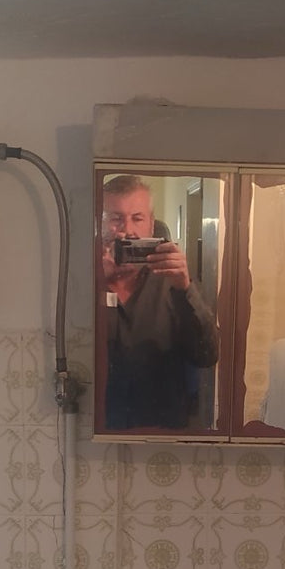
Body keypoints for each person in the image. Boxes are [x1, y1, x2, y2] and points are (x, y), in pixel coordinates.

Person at [99, 175, 219, 430]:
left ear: (151, 225)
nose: (127, 230)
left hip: (163, 430)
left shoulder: (172, 281)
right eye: (116, 218)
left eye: (137, 218)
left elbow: (207, 355)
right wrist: (98, 281)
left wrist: (184, 288)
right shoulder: (84, 279)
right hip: (99, 425)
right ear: (100, 223)